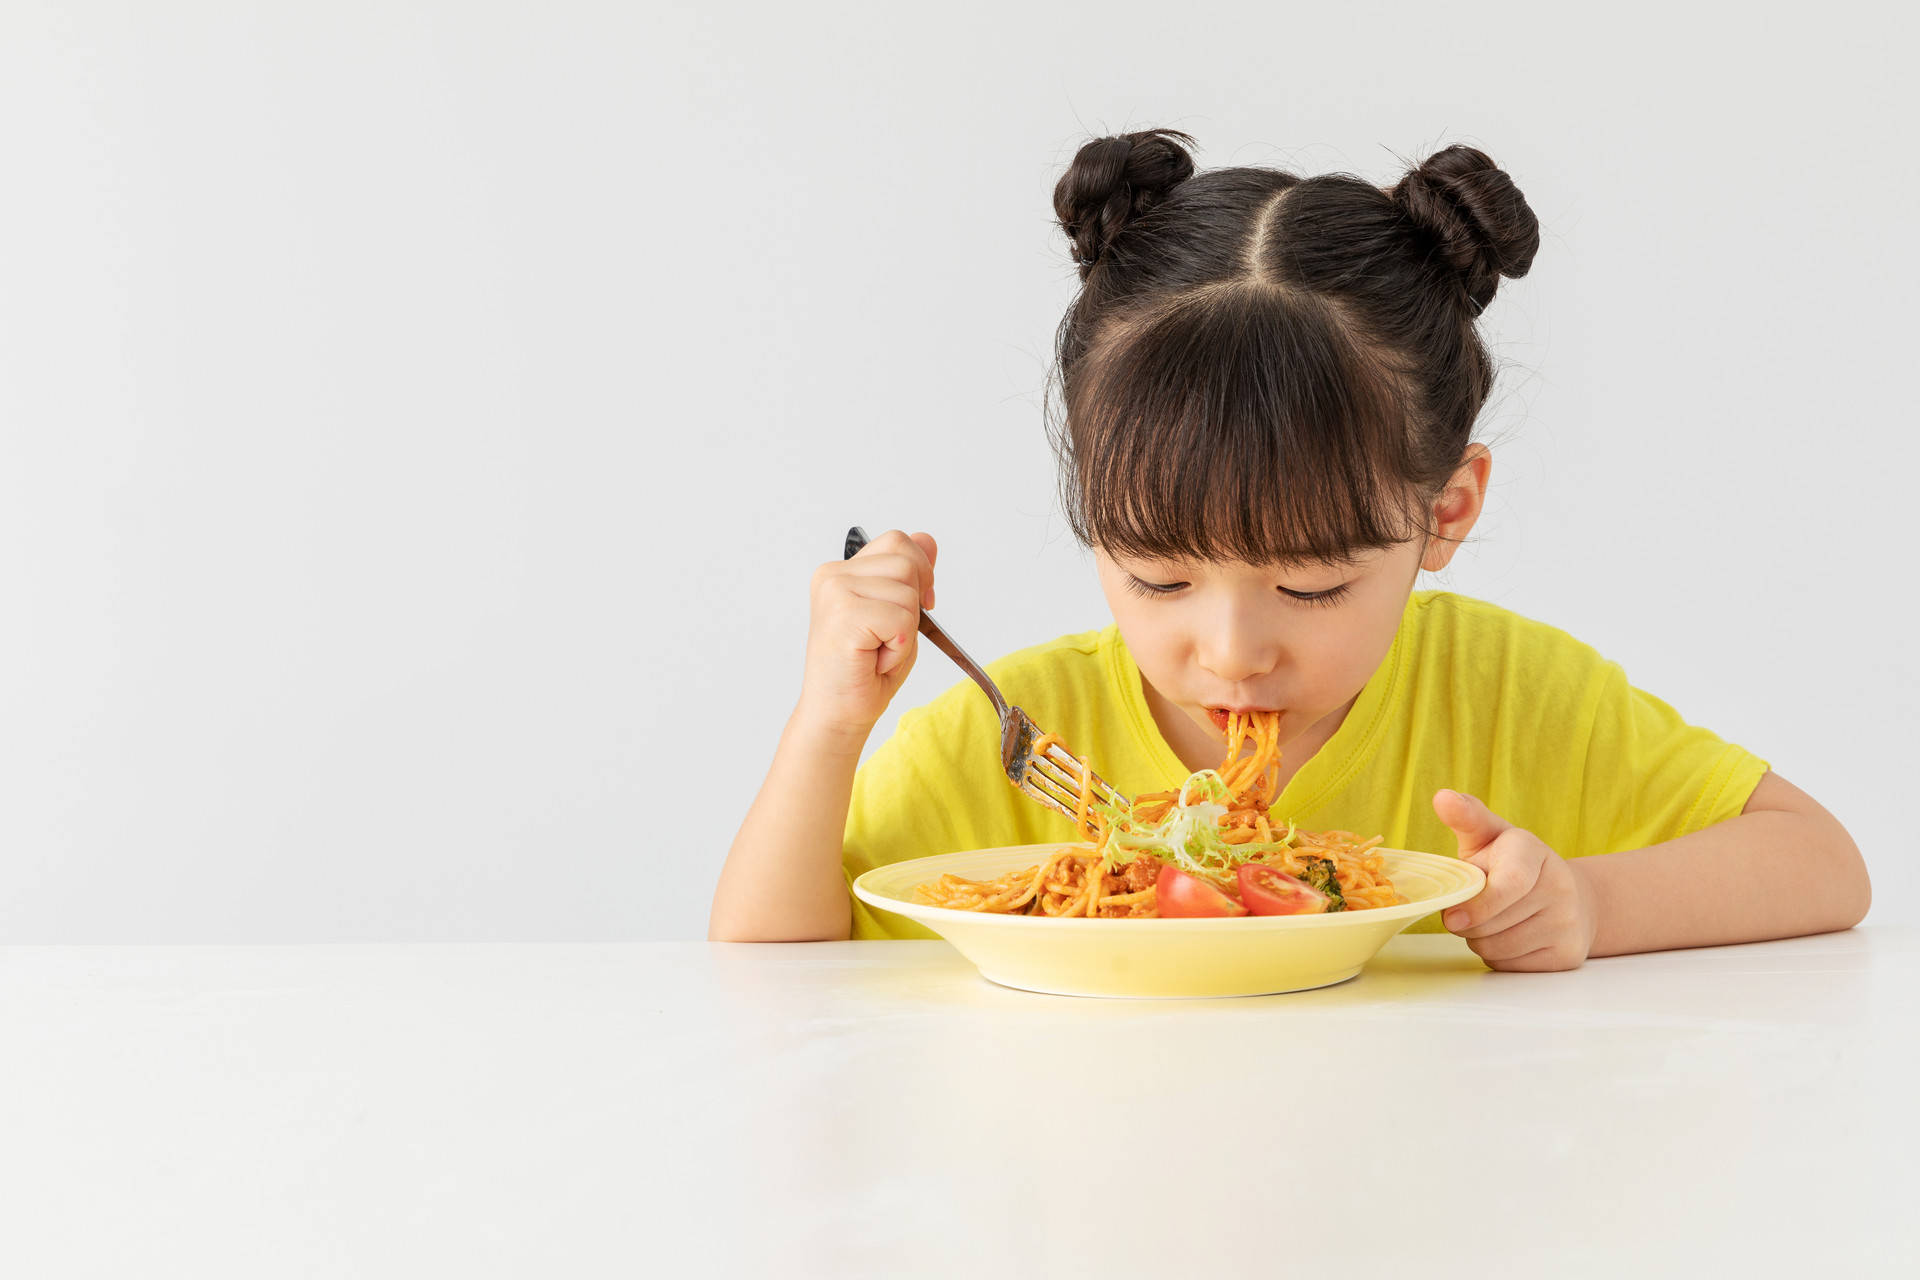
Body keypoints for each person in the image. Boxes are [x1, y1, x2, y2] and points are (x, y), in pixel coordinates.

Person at [708, 129, 1869, 968]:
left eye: (1311, 584)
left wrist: (1587, 906)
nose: (1230, 651)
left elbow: (1821, 861)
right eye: (1157, 575)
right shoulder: (1019, 729)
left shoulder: (1511, 692)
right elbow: (765, 959)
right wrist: (829, 721)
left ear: (1446, 511)